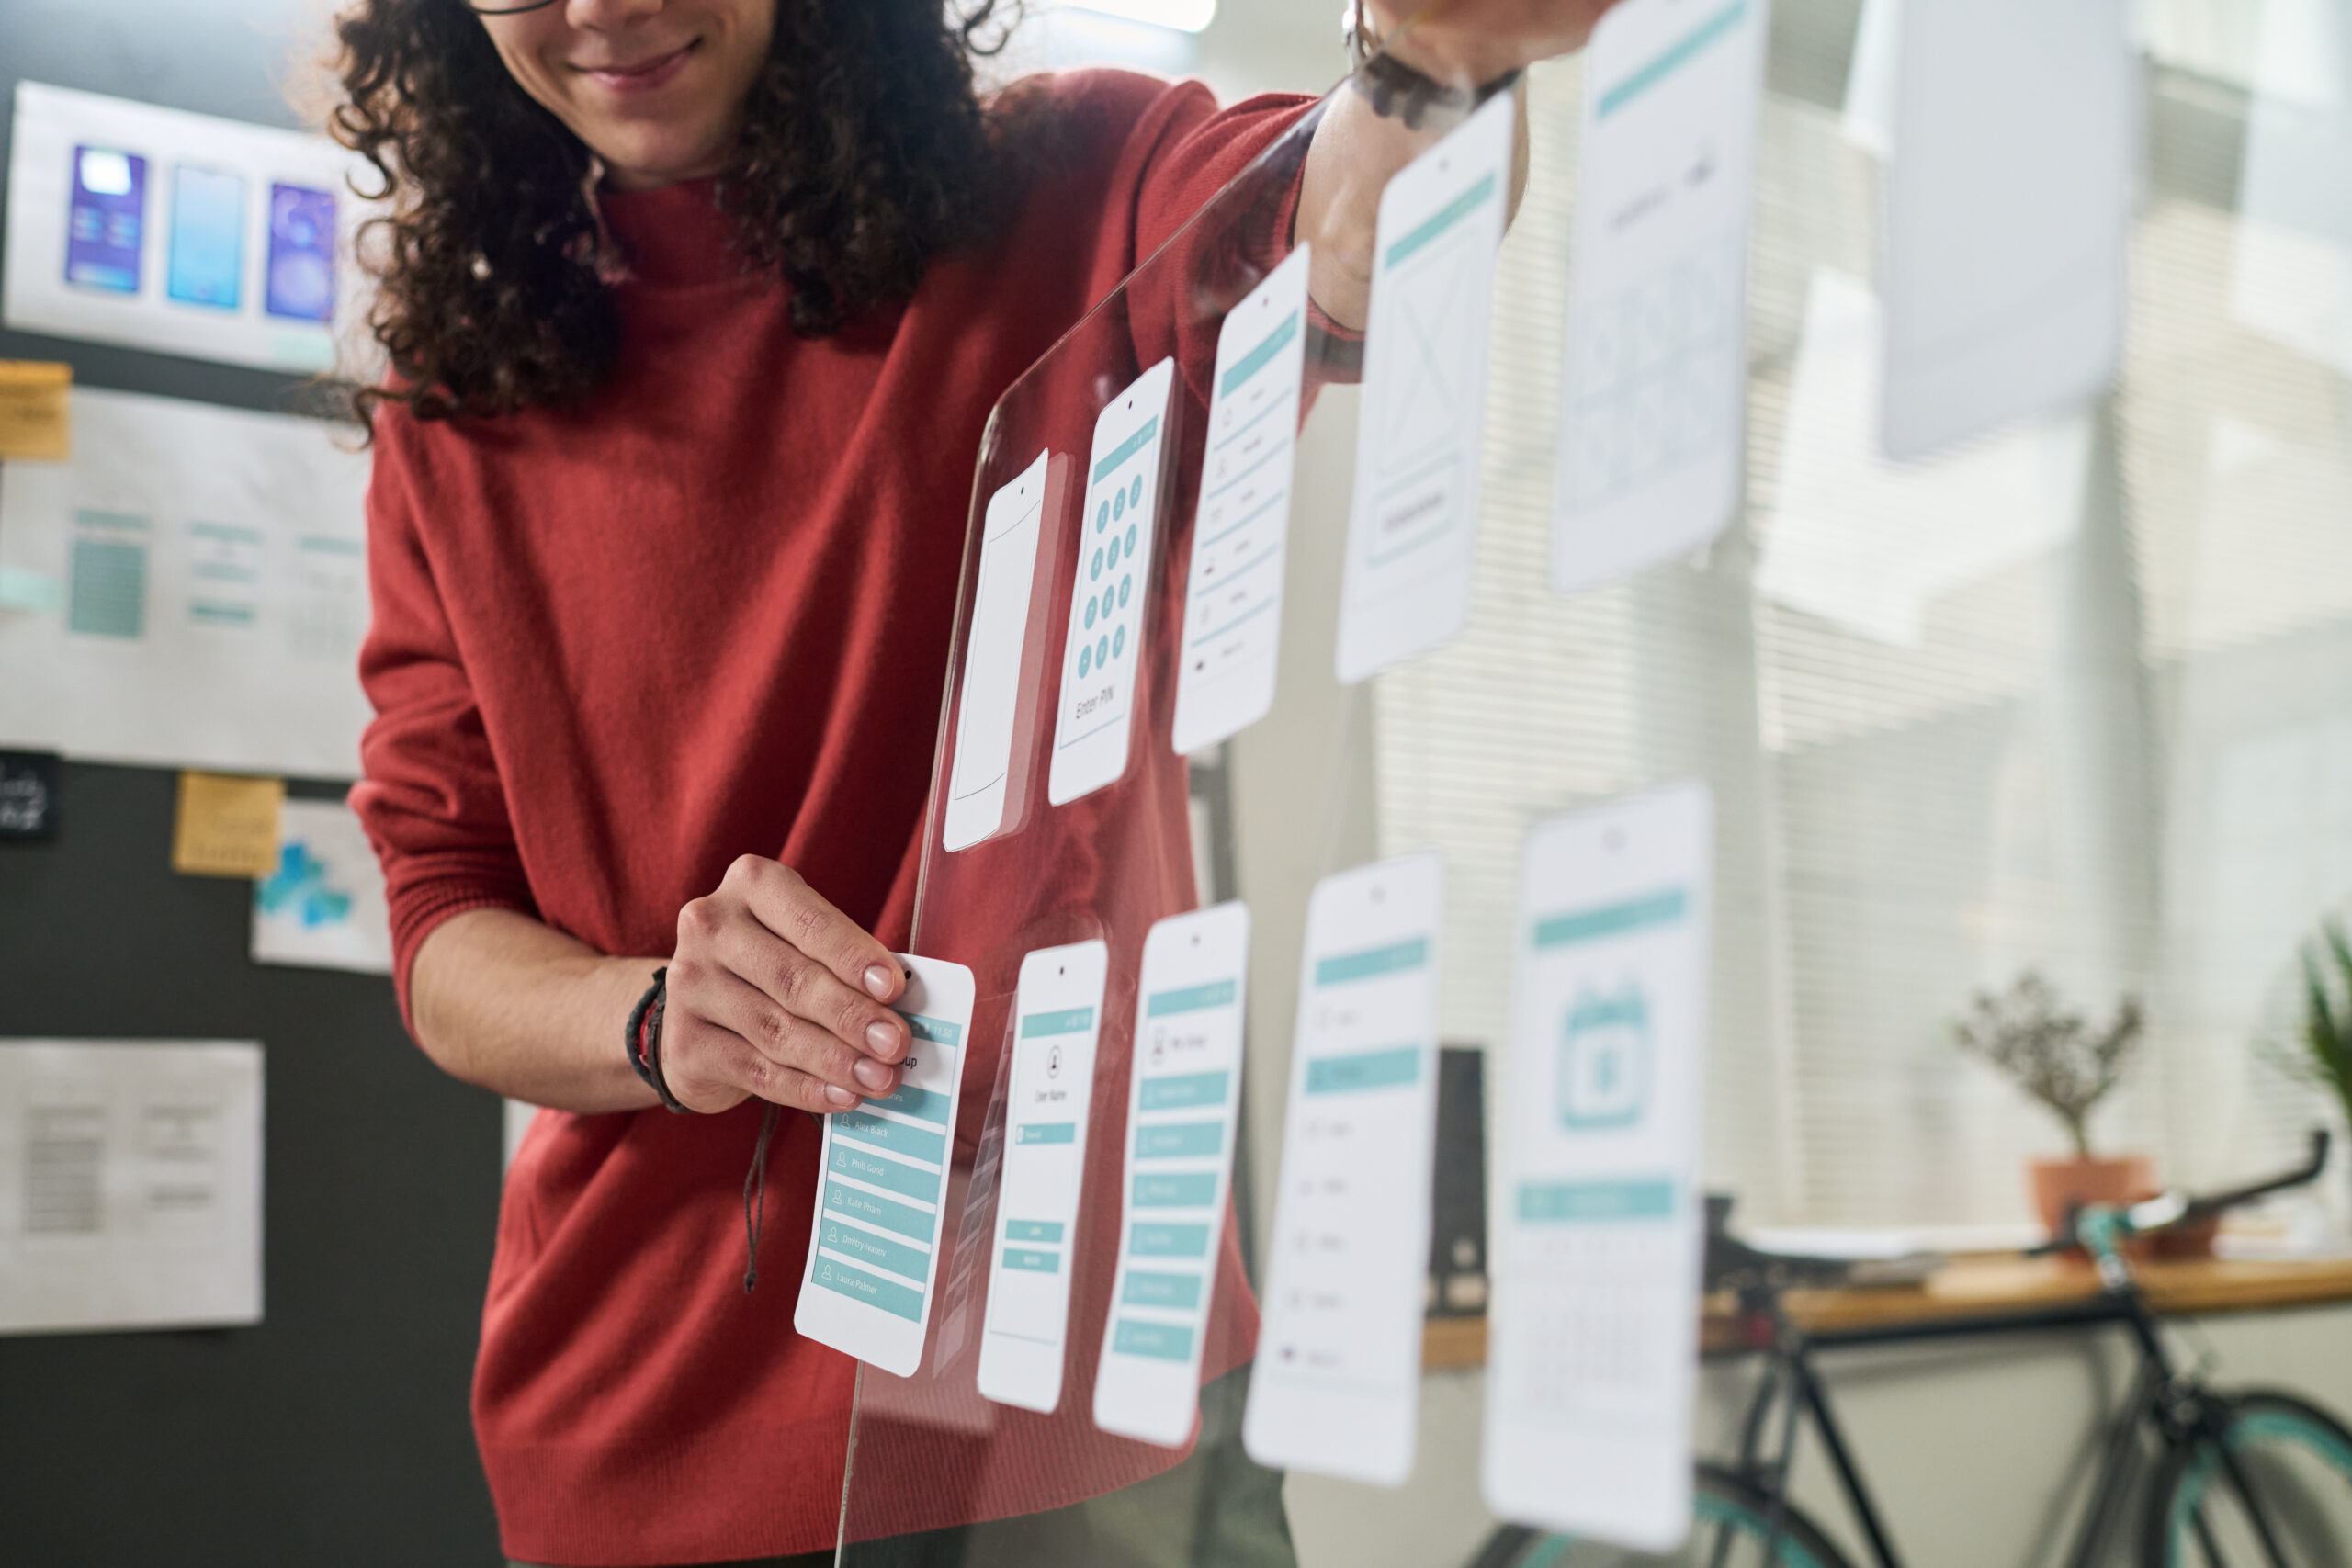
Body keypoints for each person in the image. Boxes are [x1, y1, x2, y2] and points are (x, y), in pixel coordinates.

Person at [335, 1, 1611, 1563]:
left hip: (1060, 1401)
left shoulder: (1066, 185)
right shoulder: (451, 405)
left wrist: (1434, 58)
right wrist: (666, 1016)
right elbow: (441, 925)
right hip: (642, 1425)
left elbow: (1355, 252)